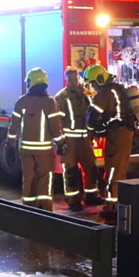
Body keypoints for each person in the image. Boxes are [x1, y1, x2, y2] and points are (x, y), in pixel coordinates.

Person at [7, 68, 66, 211]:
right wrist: (61, 144)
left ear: (31, 82)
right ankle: (44, 211)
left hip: (26, 151)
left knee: (28, 180)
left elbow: (13, 126)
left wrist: (10, 145)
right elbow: (55, 127)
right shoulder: (50, 102)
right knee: (45, 181)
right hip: (44, 151)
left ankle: (28, 210)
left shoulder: (21, 101)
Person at [85, 64, 135, 213]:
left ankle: (112, 208)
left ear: (100, 79)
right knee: (120, 170)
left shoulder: (105, 93)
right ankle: (119, 204)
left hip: (117, 135)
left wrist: (91, 132)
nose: (93, 86)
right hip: (124, 133)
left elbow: (92, 116)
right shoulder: (117, 89)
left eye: (93, 83)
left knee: (113, 170)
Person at [55, 67, 98, 210]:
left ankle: (92, 195)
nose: (73, 81)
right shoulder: (61, 97)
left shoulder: (87, 93)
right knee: (71, 171)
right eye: (70, 79)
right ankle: (73, 200)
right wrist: (61, 142)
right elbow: (58, 122)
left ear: (78, 78)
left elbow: (94, 112)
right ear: (66, 80)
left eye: (75, 78)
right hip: (70, 140)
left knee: (91, 167)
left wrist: (93, 133)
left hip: (85, 138)